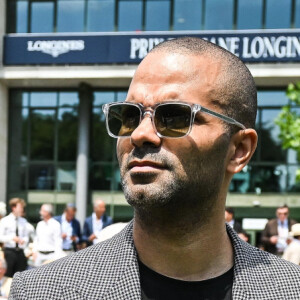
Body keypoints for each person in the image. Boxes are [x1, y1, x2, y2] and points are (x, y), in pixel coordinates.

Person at [10, 37, 300, 299]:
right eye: (128, 116)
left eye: (173, 117)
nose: (139, 134)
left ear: (239, 150)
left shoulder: (289, 290)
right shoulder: (41, 292)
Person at [0, 198, 30, 277]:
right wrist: (12, 238)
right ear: (14, 208)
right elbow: (0, 237)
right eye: (20, 207)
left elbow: (26, 237)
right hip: (9, 252)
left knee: (21, 276)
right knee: (8, 275)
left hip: (20, 252)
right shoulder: (4, 221)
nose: (22, 210)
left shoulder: (23, 221)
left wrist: (23, 240)